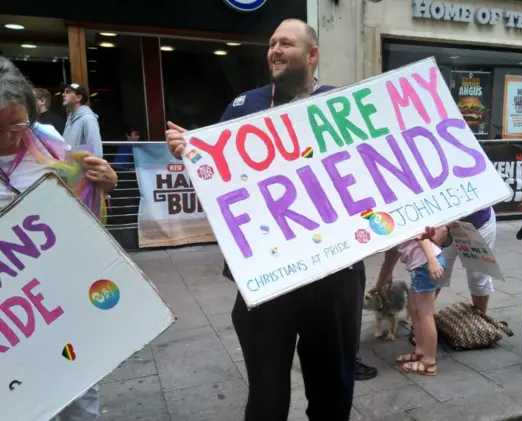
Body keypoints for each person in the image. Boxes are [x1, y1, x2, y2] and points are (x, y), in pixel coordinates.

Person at [165, 19, 376, 421]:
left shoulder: (342, 105)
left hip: (334, 275)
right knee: (266, 394)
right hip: (266, 275)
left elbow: (378, 178)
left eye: (286, 44)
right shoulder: (244, 106)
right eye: (271, 43)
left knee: (332, 390)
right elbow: (218, 184)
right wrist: (191, 156)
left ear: (312, 55)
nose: (274, 50)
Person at [0, 57, 117, 420]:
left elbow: (83, 197)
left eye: (17, 124)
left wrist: (105, 183)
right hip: (10, 308)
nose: (9, 138)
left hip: (61, 294)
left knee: (79, 385)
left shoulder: (49, 144)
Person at [372, 228, 448, 376]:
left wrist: (431, 260)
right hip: (420, 266)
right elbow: (389, 259)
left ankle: (429, 362)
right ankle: (420, 351)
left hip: (426, 265)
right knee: (413, 309)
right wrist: (379, 286)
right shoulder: (388, 230)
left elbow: (420, 233)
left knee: (425, 314)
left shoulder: (396, 219)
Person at [62, 83, 103, 158]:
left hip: (80, 169)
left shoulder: (88, 118)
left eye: (67, 92)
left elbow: (96, 152)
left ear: (78, 97)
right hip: (67, 169)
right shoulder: (70, 119)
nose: (63, 94)